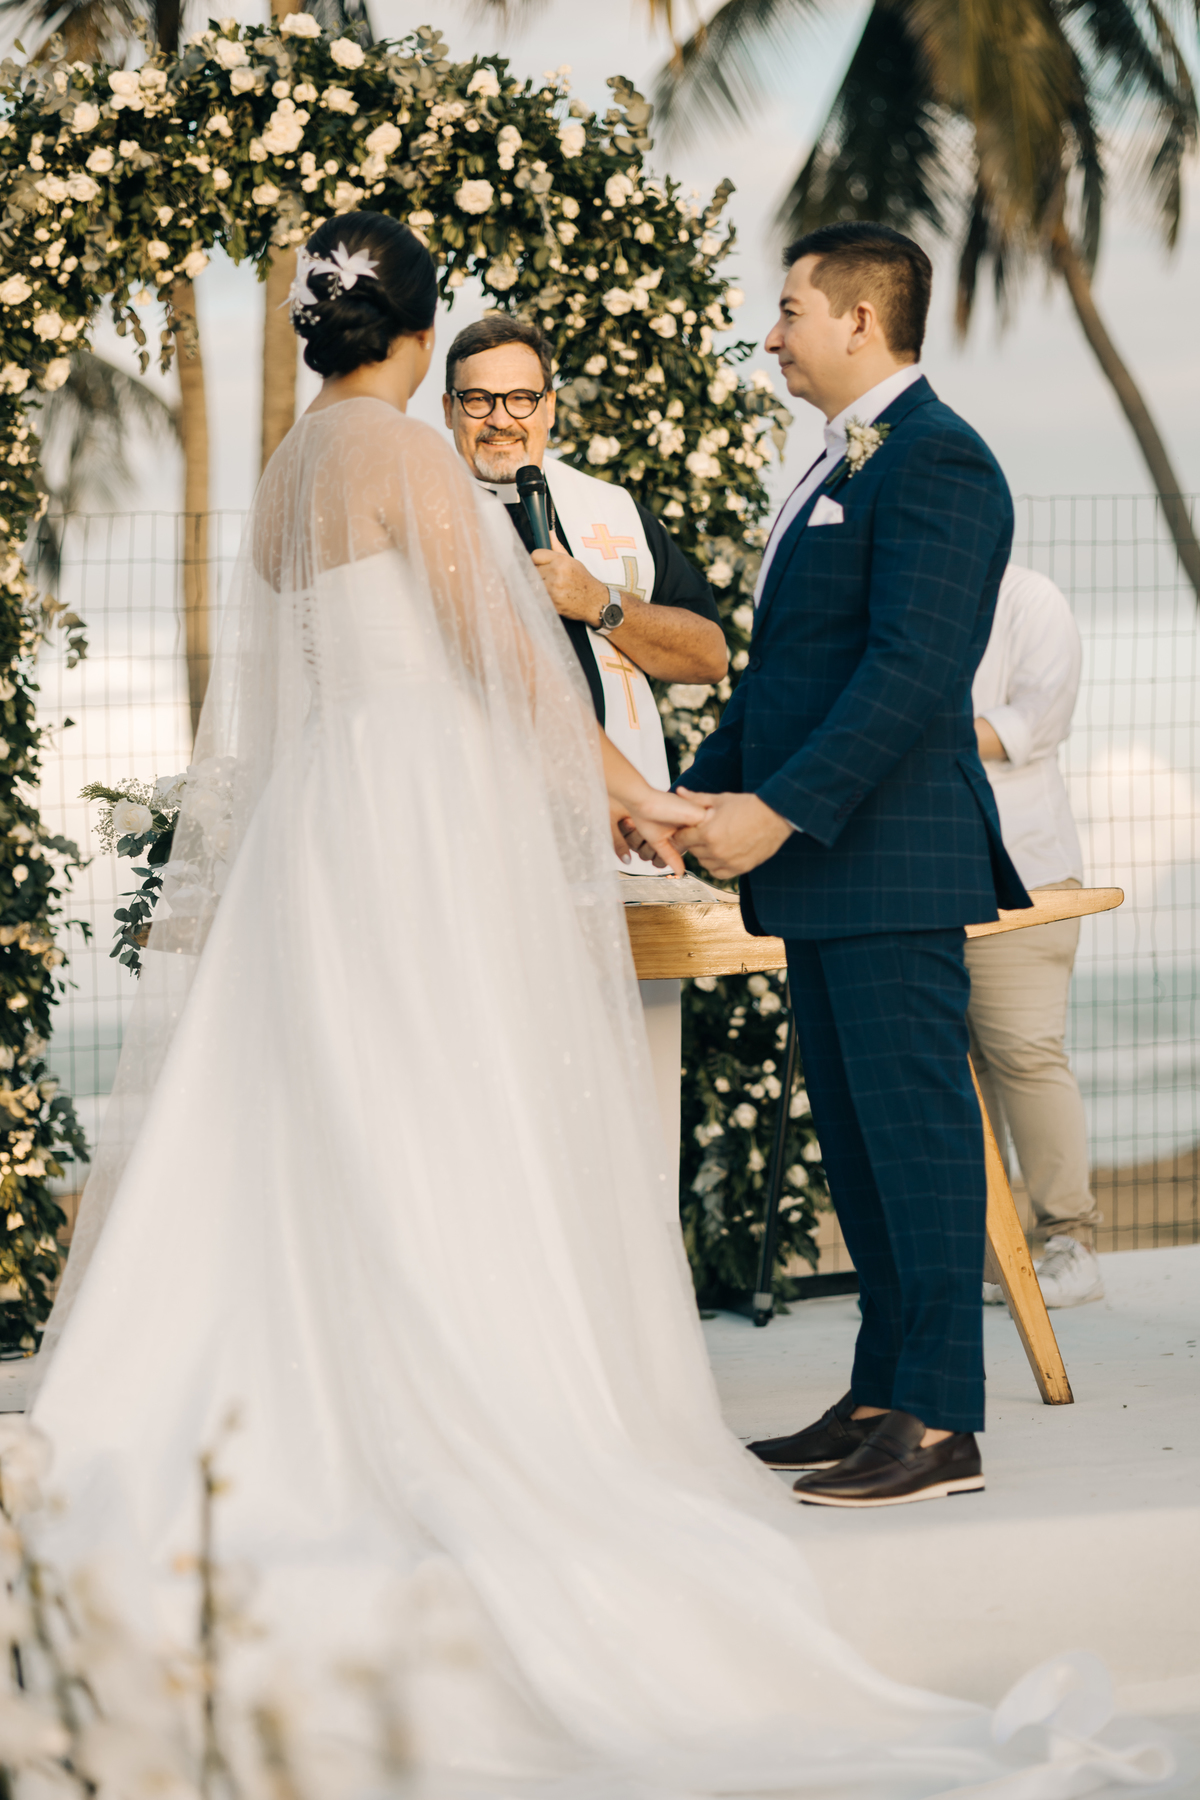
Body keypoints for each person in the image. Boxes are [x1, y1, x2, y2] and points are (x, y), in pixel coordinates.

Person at [24, 214, 1151, 1800]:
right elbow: (506, 666)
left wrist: (691, 792)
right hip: (423, 812)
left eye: (789, 309)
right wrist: (636, 794)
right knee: (452, 1101)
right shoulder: (410, 463)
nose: (773, 331)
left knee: (318, 1104)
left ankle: (909, 1405)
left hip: (324, 828)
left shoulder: (287, 475)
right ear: (418, 337)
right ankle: (580, 1395)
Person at [666, 222, 1032, 1509]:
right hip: (834, 866)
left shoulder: (938, 461)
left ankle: (940, 1425)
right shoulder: (842, 458)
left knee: (920, 1142)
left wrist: (780, 811)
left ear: (859, 323)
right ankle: (883, 1391)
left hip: (890, 858)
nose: (771, 336)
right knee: (864, 1146)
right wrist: (700, 793)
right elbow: (796, 672)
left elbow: (910, 674)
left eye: (788, 311)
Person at [443, 314, 728, 1163]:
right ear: (448, 408)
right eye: (479, 399)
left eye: (521, 395)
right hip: (487, 857)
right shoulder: (425, 514)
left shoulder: (612, 514)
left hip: (627, 854)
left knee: (635, 1104)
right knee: (506, 1114)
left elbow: (708, 652)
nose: (502, 417)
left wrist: (597, 600)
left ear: (553, 405)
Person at [970, 564, 1105, 1307]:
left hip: (1023, 873)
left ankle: (1072, 1245)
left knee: (1024, 1053)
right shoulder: (896, 593)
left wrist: (902, 730)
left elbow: (1035, 722)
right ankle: (994, 1260)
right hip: (920, 871)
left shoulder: (1031, 598)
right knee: (959, 1070)